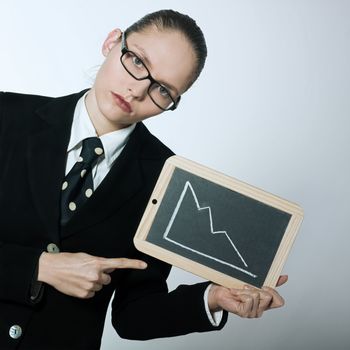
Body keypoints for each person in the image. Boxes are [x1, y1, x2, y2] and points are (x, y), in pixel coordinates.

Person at [0, 9, 287, 350]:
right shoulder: (7, 116)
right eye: (137, 61)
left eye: (162, 90)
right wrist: (39, 267)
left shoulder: (167, 176)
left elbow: (133, 315)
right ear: (112, 42)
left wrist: (212, 298)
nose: (137, 90)